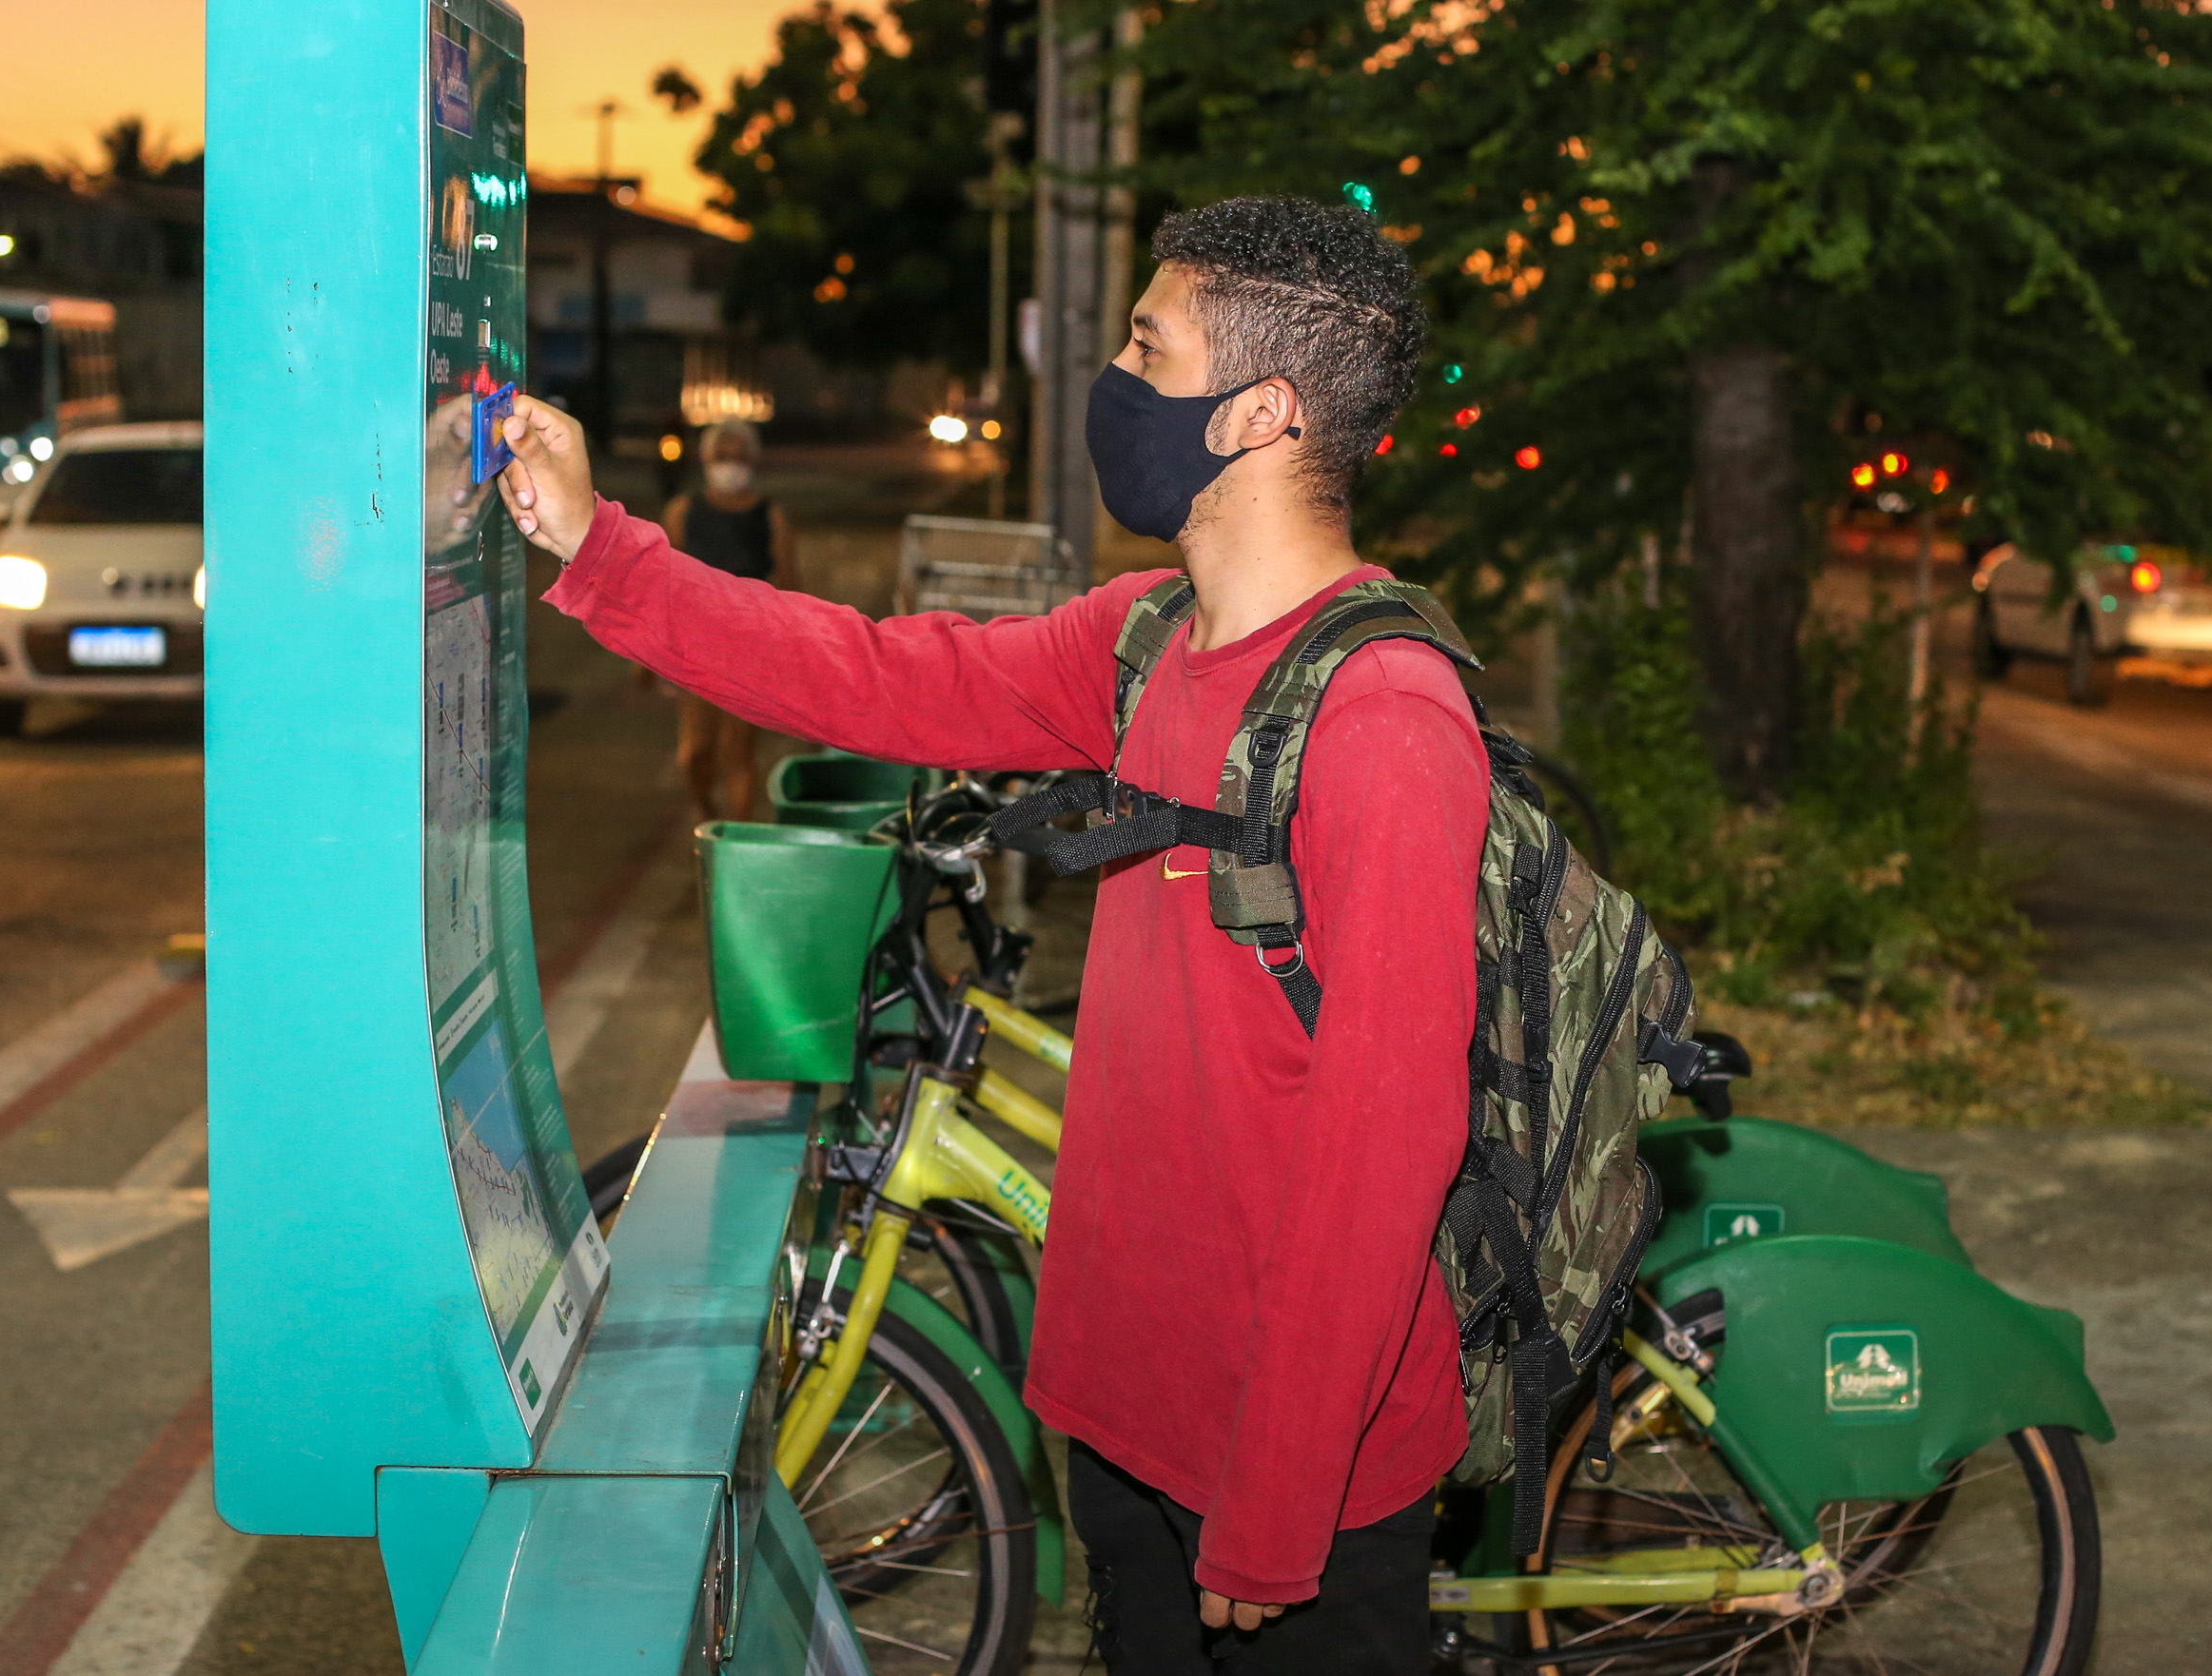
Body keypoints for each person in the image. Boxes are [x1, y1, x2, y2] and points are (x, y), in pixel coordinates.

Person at [497, 195, 1479, 1674]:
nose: (1118, 379)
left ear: (1259, 413)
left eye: (1151, 346)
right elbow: (877, 676)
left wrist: (1275, 1505)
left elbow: (1383, 1159)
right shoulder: (1147, 640)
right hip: (1126, 1415)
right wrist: (599, 548)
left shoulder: (1386, 718)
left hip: (1295, 1473)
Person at [660, 419, 799, 821]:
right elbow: (662, 583)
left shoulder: (770, 518)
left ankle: (736, 837)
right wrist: (646, 656)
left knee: (739, 750)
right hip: (695, 647)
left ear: (754, 460)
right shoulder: (683, 511)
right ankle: (705, 808)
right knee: (695, 751)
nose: (731, 464)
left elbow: (790, 587)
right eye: (723, 455)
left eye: (740, 456)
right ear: (705, 458)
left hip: (750, 645)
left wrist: (792, 649)